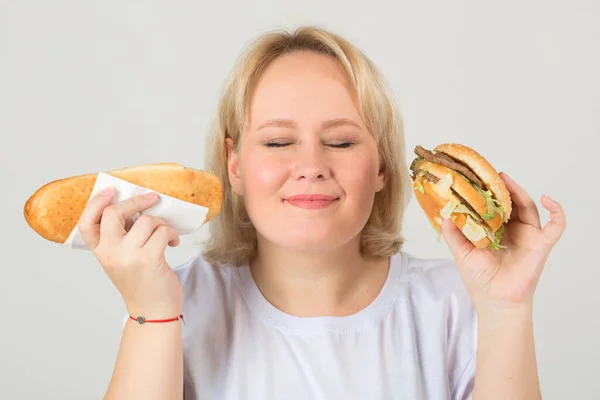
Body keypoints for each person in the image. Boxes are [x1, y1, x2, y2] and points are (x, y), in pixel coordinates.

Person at [77, 26, 566, 399]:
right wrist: (152, 313)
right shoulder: (176, 305)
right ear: (235, 166)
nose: (310, 166)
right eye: (278, 141)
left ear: (381, 167)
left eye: (340, 141)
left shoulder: (456, 305)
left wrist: (506, 309)